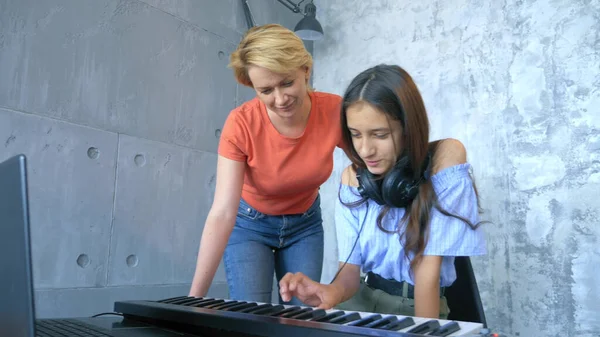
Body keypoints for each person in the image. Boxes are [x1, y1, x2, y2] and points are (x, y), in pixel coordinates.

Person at [279, 64, 487, 319]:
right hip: (361, 303)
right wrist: (329, 292)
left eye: (379, 135)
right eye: (356, 135)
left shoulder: (444, 162)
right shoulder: (354, 180)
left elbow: (427, 275)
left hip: (419, 309)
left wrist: (422, 329)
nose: (365, 150)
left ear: (408, 129)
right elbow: (349, 274)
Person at [188, 23, 346, 305]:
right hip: (250, 226)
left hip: (305, 226)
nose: (280, 99)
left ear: (306, 70)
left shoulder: (335, 111)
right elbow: (223, 212)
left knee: (303, 320)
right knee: (251, 316)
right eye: (266, 90)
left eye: (287, 83)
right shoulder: (241, 124)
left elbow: (372, 159)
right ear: (253, 87)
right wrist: (192, 299)